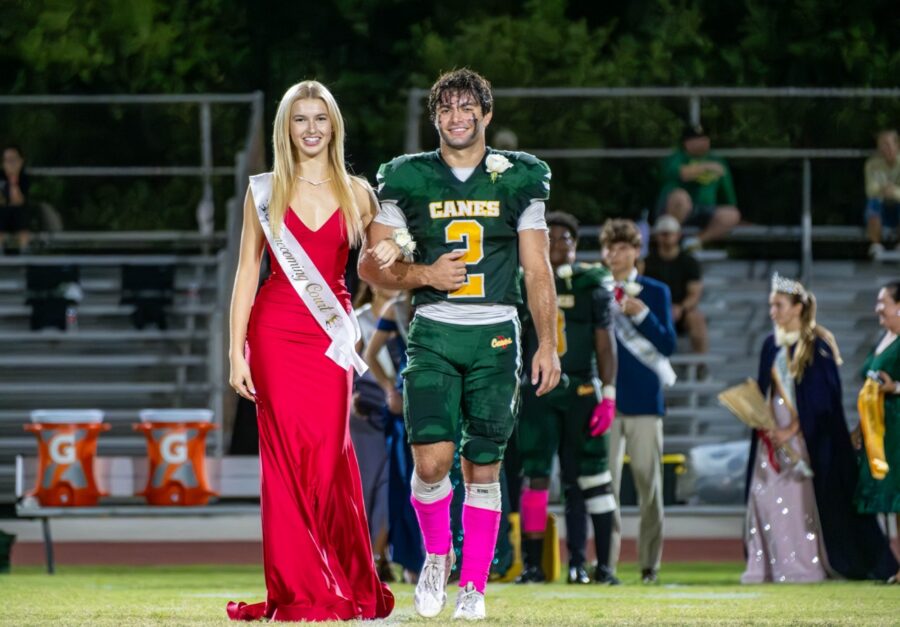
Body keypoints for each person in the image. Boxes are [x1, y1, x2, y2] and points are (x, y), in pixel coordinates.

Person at [359, 68, 560, 620]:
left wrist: (549, 343)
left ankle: (473, 584)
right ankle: (436, 557)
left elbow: (538, 268)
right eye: (446, 108)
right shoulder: (406, 177)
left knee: (484, 465)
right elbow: (372, 267)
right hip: (434, 331)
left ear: (486, 114)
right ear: (435, 119)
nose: (457, 116)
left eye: (467, 106)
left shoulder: (520, 177)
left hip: (497, 332)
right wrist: (423, 273)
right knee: (431, 463)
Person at [226, 80, 397, 621]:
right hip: (275, 332)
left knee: (326, 457)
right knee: (283, 462)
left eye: (320, 118)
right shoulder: (265, 190)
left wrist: (394, 245)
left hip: (330, 337)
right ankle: (301, 588)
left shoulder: (358, 192)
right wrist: (236, 352)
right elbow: (247, 273)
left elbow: (379, 269)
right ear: (286, 127)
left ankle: (338, 573)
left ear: (334, 126)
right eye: (300, 119)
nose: (311, 129)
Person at [744, 274, 898, 584]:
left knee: (803, 503)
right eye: (771, 305)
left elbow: (823, 401)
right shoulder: (769, 344)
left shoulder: (818, 344)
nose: (773, 311)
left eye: (779, 305)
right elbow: (766, 392)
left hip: (808, 441)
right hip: (772, 439)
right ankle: (776, 564)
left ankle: (809, 562)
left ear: (798, 307)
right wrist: (765, 424)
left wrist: (792, 431)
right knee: (767, 500)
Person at [515, 211, 620, 586]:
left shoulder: (593, 282)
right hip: (540, 390)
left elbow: (605, 343)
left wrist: (608, 395)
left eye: (565, 239)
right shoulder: (523, 280)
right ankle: (533, 566)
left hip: (580, 390)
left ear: (576, 246)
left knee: (591, 479)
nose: (558, 245)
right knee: (536, 476)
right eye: (551, 238)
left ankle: (595, 565)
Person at [601, 218, 676, 585]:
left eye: (621, 248)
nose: (613, 255)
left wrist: (641, 313)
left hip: (646, 401)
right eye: (609, 248)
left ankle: (650, 565)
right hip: (609, 401)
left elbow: (668, 345)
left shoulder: (656, 291)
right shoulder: (596, 289)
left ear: (635, 251)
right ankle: (607, 565)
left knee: (651, 489)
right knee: (607, 489)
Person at [363, 293, 426, 585]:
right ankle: (413, 560)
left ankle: (446, 557)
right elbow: (370, 354)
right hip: (407, 404)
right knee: (407, 486)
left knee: (444, 482)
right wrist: (390, 390)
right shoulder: (397, 308)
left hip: (441, 395)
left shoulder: (443, 297)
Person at [351, 282, 401, 581]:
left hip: (399, 405)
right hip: (365, 407)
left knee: (391, 486)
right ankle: (361, 556)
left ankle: (379, 555)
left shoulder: (407, 313)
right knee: (366, 486)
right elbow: (347, 365)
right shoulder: (360, 318)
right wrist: (348, 399)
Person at [854, 281, 900, 583]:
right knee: (893, 501)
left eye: (883, 301)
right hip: (881, 430)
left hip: (897, 427)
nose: (877, 308)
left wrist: (896, 387)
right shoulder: (886, 338)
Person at [657, 123, 740, 248]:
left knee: (731, 214)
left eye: (704, 138)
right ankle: (671, 243)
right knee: (680, 198)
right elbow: (681, 173)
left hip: (706, 211)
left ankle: (694, 242)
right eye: (696, 139)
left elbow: (729, 200)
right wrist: (706, 167)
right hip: (674, 211)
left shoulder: (717, 161)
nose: (702, 142)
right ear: (686, 143)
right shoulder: (677, 157)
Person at [643, 215, 708, 360]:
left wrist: (680, 308)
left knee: (696, 318)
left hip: (681, 312)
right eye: (663, 233)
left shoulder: (689, 262)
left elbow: (694, 294)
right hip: (654, 311)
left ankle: (701, 365)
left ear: (678, 235)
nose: (666, 237)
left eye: (669, 233)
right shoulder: (646, 263)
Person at [864, 129, 900, 258]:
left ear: (897, 145)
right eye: (882, 145)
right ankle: (876, 245)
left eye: (888, 144)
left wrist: (893, 191)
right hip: (881, 207)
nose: (885, 149)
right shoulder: (871, 164)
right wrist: (885, 190)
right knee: (873, 203)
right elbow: (870, 190)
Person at [0, 145, 31, 253]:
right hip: (2, 212)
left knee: (20, 213)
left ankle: (24, 256)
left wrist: (13, 179)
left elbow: (18, 201)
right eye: (7, 160)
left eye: (13, 160)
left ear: (20, 161)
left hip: (18, 214)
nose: (10, 163)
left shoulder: (24, 178)